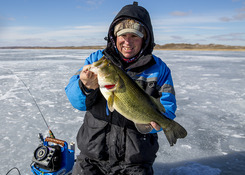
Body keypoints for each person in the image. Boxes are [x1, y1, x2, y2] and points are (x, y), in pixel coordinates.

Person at [65, 2, 177, 174]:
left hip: (136, 159)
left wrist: (161, 121)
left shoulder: (159, 69)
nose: (127, 41)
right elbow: (75, 99)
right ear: (114, 36)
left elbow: (167, 106)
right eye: (122, 35)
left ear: (145, 38)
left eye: (134, 35)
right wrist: (84, 86)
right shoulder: (98, 60)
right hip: (92, 155)